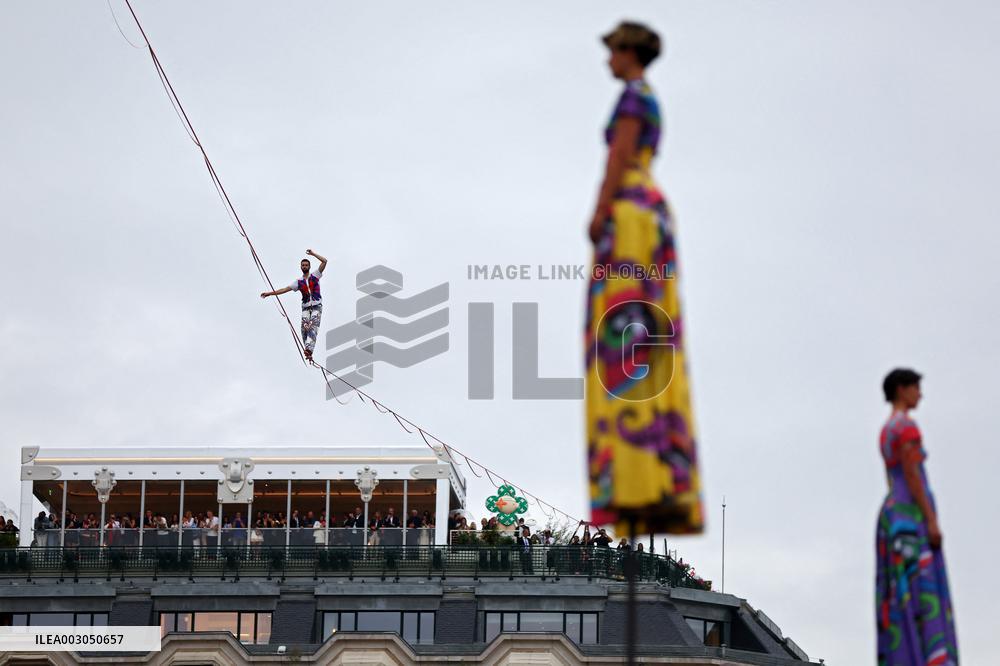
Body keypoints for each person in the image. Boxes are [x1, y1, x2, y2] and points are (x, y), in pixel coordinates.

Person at [586, 21, 703, 537]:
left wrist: (599, 210)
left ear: (628, 51)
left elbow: (620, 155)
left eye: (612, 50)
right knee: (645, 325)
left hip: (630, 213)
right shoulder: (649, 95)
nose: (607, 58)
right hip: (650, 214)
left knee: (624, 324)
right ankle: (650, 457)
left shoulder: (633, 98)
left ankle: (635, 462)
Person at [876, 369, 958, 665]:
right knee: (923, 591)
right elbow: (912, 474)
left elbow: (892, 477)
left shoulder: (886, 430)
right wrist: (931, 519)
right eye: (916, 387)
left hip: (893, 518)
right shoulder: (906, 427)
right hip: (912, 517)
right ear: (901, 389)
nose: (920, 394)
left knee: (901, 593)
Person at [260, 249, 328, 361]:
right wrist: (269, 294)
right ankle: (307, 350)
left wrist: (313, 254)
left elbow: (325, 261)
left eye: (306, 265)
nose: (305, 266)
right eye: (303, 265)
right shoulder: (298, 282)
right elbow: (284, 289)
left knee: (313, 325)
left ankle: (309, 349)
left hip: (316, 306)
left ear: (309, 267)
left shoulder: (315, 275)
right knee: (304, 328)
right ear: (301, 267)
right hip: (306, 307)